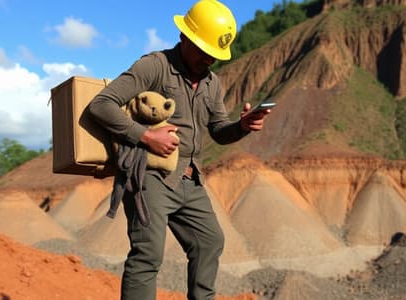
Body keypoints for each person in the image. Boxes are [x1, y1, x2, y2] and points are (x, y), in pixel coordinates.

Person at [86, 1, 270, 299]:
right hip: (150, 175)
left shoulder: (212, 83)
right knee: (148, 255)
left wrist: (242, 126)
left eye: (213, 54)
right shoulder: (155, 65)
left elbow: (219, 131)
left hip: (190, 179)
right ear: (185, 36)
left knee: (209, 241)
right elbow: (101, 104)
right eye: (203, 50)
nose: (208, 59)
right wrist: (147, 136)